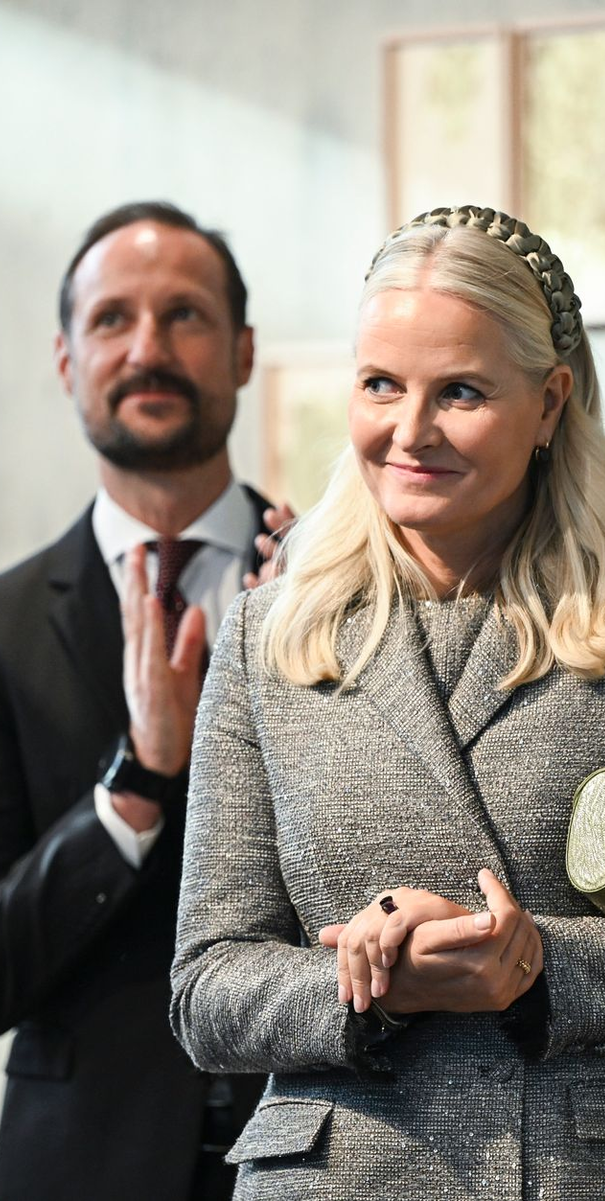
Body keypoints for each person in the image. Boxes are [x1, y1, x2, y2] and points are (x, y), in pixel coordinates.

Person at [170, 204, 605, 1200]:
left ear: (551, 401)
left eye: (462, 392)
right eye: (380, 384)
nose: (409, 430)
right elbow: (205, 990)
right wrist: (377, 980)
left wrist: (539, 963)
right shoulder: (272, 630)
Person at [0, 201, 286, 1201]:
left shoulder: (339, 589)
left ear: (243, 351)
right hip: (81, 1164)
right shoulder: (4, 625)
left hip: (325, 1149)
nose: (148, 348)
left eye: (186, 316)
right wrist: (135, 786)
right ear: (68, 358)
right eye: (113, 319)